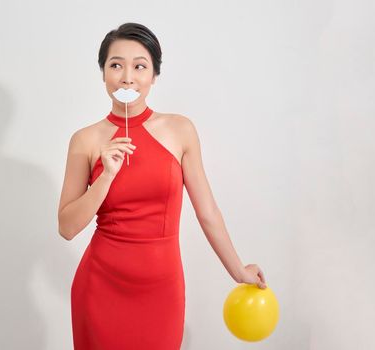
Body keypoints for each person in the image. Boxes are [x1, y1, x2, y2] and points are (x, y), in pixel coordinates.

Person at [57, 22, 267, 350]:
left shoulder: (180, 130)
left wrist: (238, 270)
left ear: (154, 75)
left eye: (140, 66)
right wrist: (106, 176)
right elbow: (67, 227)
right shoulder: (84, 140)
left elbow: (207, 211)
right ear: (103, 73)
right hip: (99, 288)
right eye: (116, 65)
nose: (127, 76)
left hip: (162, 291)